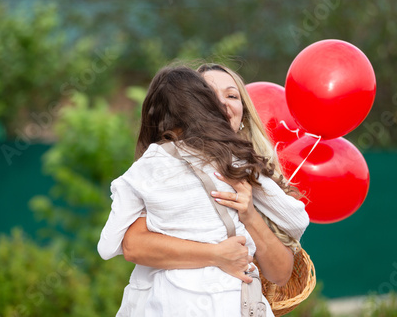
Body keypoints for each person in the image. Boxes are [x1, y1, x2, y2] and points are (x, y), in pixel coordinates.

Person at [97, 65, 309, 316]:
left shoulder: (246, 168)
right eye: (209, 95)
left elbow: (281, 274)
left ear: (243, 115)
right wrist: (217, 255)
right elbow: (133, 245)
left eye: (231, 95)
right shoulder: (163, 171)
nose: (221, 103)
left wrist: (249, 214)